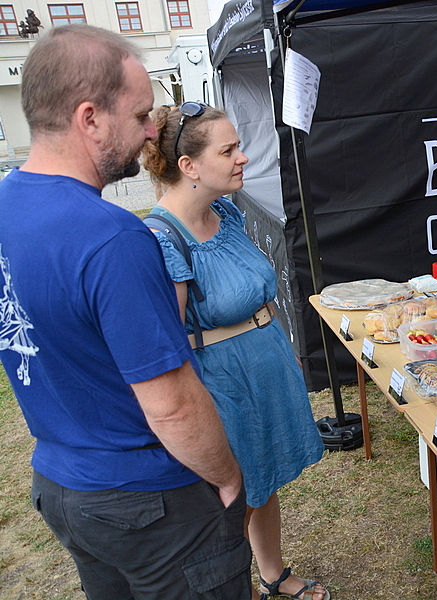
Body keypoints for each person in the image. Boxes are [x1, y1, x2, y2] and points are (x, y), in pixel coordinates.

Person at [0, 25, 251, 598]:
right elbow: (172, 405)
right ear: (89, 118)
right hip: (148, 498)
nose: (150, 132)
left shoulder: (7, 206)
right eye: (139, 115)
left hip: (63, 485)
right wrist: (229, 476)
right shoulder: (112, 237)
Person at [141, 103, 328, 600]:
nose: (243, 157)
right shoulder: (163, 240)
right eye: (228, 151)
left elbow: (256, 291)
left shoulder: (225, 212)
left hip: (263, 368)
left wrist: (280, 347)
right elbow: (169, 347)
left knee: (262, 481)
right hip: (223, 384)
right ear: (189, 166)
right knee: (230, 501)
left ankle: (272, 574)